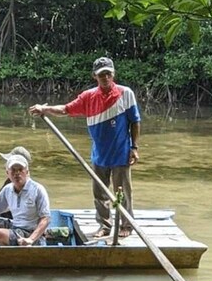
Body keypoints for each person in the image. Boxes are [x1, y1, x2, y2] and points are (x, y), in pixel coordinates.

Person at [29, 56, 141, 238]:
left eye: (108, 74)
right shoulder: (88, 97)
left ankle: (126, 225)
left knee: (123, 193)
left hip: (121, 153)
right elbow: (65, 109)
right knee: (100, 193)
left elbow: (135, 122)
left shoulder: (125, 93)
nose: (105, 78)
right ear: (94, 77)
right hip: (99, 155)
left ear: (113, 74)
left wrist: (134, 147)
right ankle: (105, 225)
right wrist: (44, 109)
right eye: (101, 75)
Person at [0, 155, 51, 246]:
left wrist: (30, 239)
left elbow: (45, 218)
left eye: (20, 169)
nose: (17, 173)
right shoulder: (7, 189)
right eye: (13, 170)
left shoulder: (38, 190)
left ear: (27, 172)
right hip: (15, 226)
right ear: (7, 173)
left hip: (31, 232)